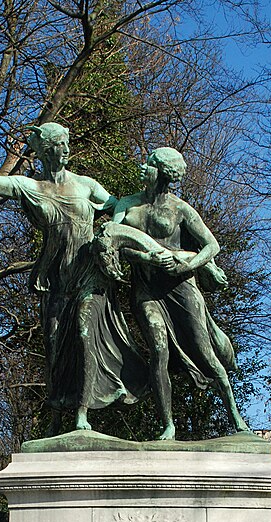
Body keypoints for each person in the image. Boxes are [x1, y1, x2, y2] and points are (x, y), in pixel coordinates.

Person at [0, 120, 146, 432]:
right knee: (52, 345)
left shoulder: (86, 185)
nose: (64, 150)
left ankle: (81, 413)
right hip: (54, 277)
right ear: (43, 150)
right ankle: (55, 415)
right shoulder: (29, 187)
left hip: (88, 274)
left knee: (83, 334)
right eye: (57, 145)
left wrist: (127, 225)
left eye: (66, 143)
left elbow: (120, 207)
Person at [113, 147, 249, 441]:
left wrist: (189, 263)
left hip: (181, 287)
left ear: (163, 173)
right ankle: (168, 425)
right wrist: (147, 259)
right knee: (158, 349)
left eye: (151, 166)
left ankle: (237, 419)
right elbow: (115, 244)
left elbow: (212, 246)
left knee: (206, 353)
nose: (145, 169)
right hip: (147, 289)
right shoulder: (126, 205)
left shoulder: (180, 208)